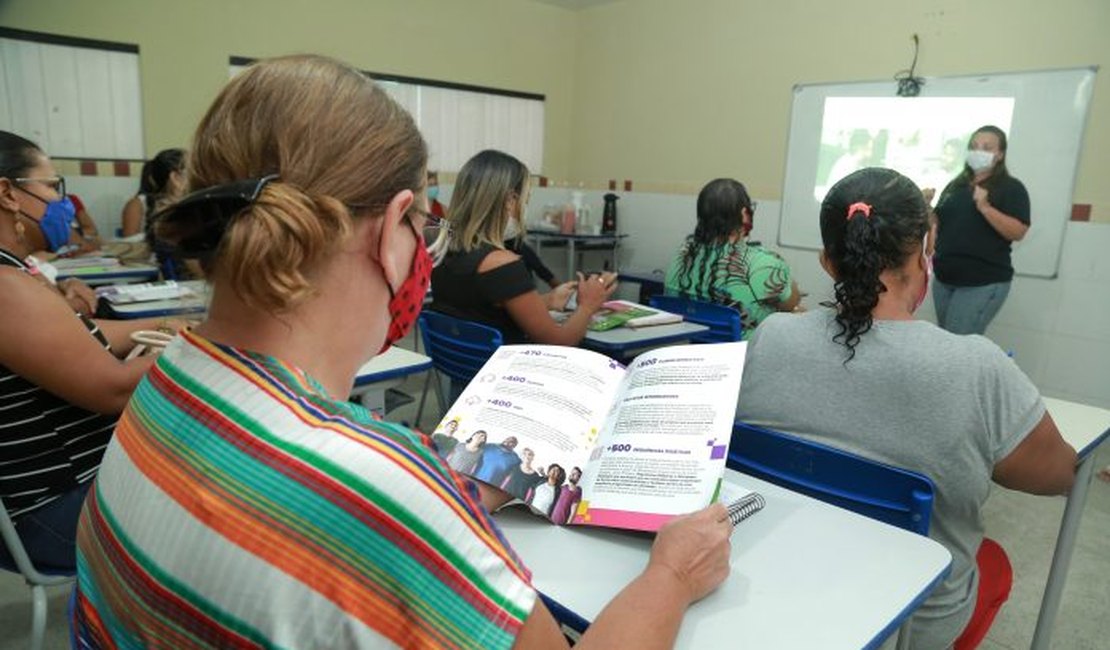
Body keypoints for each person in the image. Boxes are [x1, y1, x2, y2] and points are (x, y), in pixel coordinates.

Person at [73, 55, 733, 650]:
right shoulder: (376, 489)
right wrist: (673, 576)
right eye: (425, 228)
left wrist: (442, 499)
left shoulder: (165, 382)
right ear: (393, 229)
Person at [736, 167, 1076, 650]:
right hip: (908, 625)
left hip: (778, 586)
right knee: (992, 560)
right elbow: (1061, 475)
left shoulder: (772, 336)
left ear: (829, 262)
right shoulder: (976, 365)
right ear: (924, 252)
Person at [0, 130, 188, 572]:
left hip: (53, 497)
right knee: (241, 497)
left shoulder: (14, 277)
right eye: (51, 187)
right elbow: (113, 391)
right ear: (8, 193)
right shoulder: (7, 290)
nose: (61, 202)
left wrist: (164, 324)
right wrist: (212, 345)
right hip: (54, 511)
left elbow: (78, 330)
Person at [431, 149, 616, 345]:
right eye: (525, 200)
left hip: (467, 371)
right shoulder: (502, 264)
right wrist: (587, 306)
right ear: (510, 201)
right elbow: (559, 343)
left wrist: (546, 301)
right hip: (508, 370)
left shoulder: (441, 249)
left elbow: (479, 311)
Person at [665, 178, 801, 337]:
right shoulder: (767, 264)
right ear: (744, 214)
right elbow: (791, 304)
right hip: (740, 358)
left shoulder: (681, 255)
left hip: (686, 350)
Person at [927, 125, 1029, 335]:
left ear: (1000, 154)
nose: (978, 151)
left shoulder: (1011, 187)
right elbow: (936, 223)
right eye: (974, 146)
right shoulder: (956, 185)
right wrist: (925, 206)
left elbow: (1018, 232)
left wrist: (985, 207)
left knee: (959, 349)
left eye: (986, 147)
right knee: (945, 342)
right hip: (945, 278)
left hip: (981, 282)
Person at [119, 148, 185, 238]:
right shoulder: (137, 205)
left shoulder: (193, 200)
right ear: (175, 177)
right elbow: (132, 245)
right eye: (188, 173)